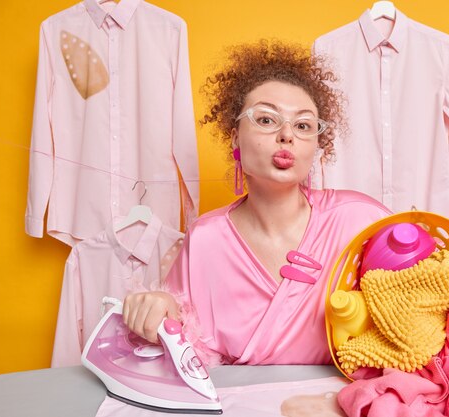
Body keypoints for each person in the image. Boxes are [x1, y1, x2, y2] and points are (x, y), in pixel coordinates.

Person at [123, 40, 392, 366]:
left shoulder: (360, 220)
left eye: (304, 125)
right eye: (266, 119)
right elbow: (184, 349)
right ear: (235, 136)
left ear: (317, 146)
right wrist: (160, 310)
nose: (287, 135)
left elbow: (418, 308)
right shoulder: (205, 239)